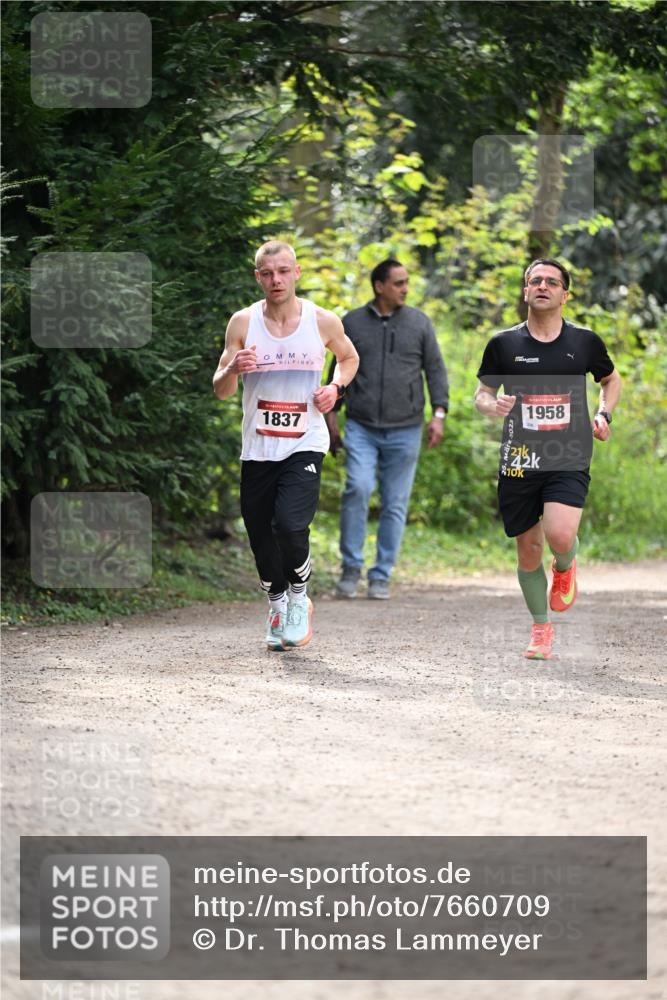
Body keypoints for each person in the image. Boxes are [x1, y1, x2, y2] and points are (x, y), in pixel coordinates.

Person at [213, 240, 358, 651]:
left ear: (296, 273)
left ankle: (298, 599)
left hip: (305, 442)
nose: (276, 280)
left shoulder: (321, 320)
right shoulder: (243, 323)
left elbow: (349, 358)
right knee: (261, 535)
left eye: (282, 271)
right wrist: (232, 368)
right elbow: (221, 389)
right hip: (258, 448)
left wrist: (335, 388)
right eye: (267, 273)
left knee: (290, 526)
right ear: (258, 277)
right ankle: (276, 604)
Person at [474, 258, 622, 660]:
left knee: (559, 535)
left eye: (552, 282)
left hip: (568, 453)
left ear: (564, 295)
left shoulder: (584, 342)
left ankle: (565, 564)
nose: (543, 286)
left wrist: (604, 414)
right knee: (528, 549)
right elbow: (482, 393)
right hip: (520, 458)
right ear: (526, 290)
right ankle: (541, 628)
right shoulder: (504, 344)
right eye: (535, 280)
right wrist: (491, 404)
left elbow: (611, 380)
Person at [326, 258, 449, 599]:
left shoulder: (419, 323)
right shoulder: (352, 322)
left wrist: (439, 413)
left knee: (395, 503)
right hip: (361, 425)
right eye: (398, 283)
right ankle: (351, 568)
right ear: (379, 286)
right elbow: (338, 370)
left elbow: (435, 370)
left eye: (406, 282)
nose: (405, 288)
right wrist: (331, 417)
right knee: (358, 488)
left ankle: (381, 574)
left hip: (406, 428)